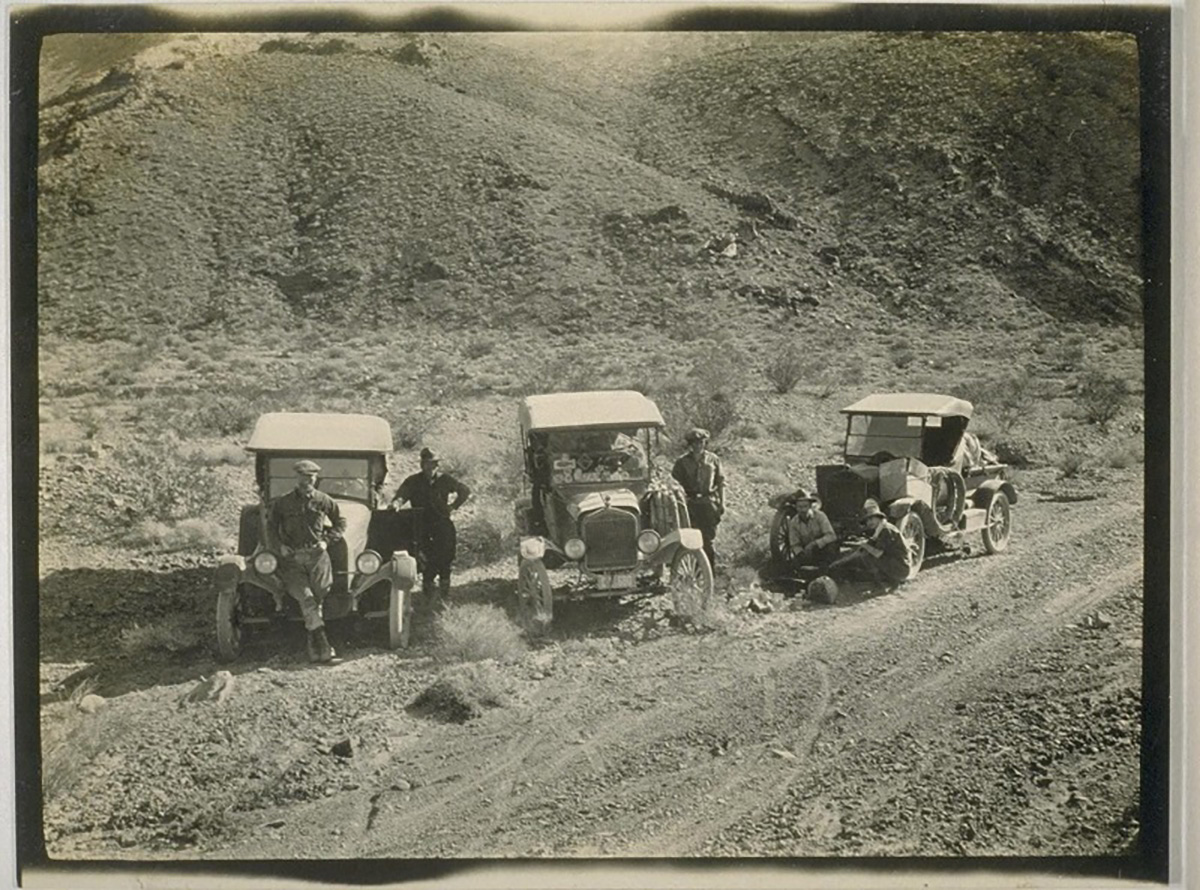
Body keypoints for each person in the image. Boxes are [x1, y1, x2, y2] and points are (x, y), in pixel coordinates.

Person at [266, 459, 346, 664]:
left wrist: (326, 541)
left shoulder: (324, 500)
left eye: (310, 477)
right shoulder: (283, 503)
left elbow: (340, 523)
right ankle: (325, 647)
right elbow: (270, 528)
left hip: (317, 557)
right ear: (297, 478)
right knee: (306, 598)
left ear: (316, 478)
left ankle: (313, 643)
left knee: (319, 596)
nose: (306, 481)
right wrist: (280, 547)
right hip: (293, 559)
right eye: (303, 477)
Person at [391, 447, 472, 610]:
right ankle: (427, 598)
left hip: (442, 524)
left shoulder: (445, 480)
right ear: (422, 464)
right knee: (426, 561)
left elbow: (464, 491)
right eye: (429, 463)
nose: (432, 467)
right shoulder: (413, 481)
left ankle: (444, 599)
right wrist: (396, 504)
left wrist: (453, 506)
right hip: (421, 526)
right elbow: (401, 496)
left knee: (446, 559)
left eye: (435, 463)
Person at [672, 427, 725, 569]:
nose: (698, 446)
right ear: (690, 444)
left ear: (705, 443)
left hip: (708, 503)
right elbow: (675, 483)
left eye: (701, 442)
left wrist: (722, 503)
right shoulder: (682, 462)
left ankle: (710, 573)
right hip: (690, 504)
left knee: (708, 540)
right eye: (694, 443)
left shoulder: (713, 459)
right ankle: (695, 571)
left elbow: (720, 482)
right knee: (692, 539)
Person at [835, 499, 912, 591]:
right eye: (867, 520)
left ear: (878, 517)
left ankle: (882, 585)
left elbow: (878, 553)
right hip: (898, 564)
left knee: (868, 557)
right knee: (864, 554)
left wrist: (864, 545)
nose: (869, 523)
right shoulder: (881, 528)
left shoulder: (886, 530)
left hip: (901, 568)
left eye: (871, 519)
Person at [784, 489, 838, 570]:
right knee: (794, 566)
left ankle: (826, 569)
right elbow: (794, 544)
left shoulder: (820, 516)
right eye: (800, 507)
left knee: (831, 550)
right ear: (796, 508)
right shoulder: (793, 523)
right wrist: (801, 553)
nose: (803, 510)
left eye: (805, 506)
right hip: (807, 551)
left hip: (822, 548)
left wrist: (814, 544)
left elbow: (831, 536)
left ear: (810, 506)